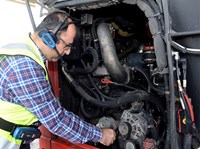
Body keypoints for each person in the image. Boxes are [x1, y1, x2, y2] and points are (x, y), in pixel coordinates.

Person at [0, 10, 116, 149]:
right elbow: (56, 121)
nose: (67, 52)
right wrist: (100, 135)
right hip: (6, 141)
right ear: (48, 37)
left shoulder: (24, 45)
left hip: (17, 135)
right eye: (66, 45)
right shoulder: (25, 67)